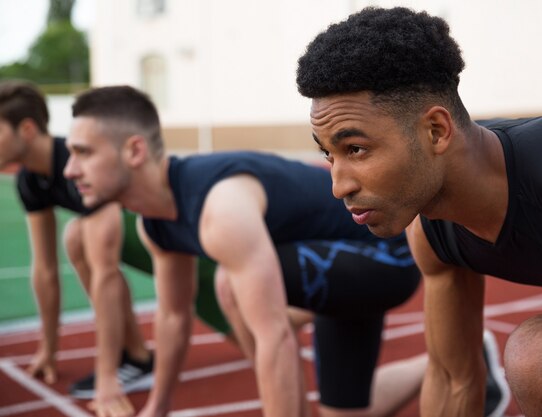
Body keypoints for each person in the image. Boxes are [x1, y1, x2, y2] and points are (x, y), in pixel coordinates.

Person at [63, 85, 509, 417]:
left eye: (83, 152)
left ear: (135, 151)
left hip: (385, 256)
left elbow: (274, 334)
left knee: (234, 287)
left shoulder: (220, 208)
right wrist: (155, 409)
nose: (69, 169)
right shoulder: (154, 226)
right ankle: (478, 359)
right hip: (333, 273)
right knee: (343, 412)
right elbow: (175, 318)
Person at [296, 5, 542, 417]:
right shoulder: (432, 228)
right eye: (329, 154)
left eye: (356, 149)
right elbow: (454, 379)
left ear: (436, 130)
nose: (338, 185)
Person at [0, 80, 156, 416]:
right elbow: (44, 269)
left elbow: (106, 275)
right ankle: (139, 357)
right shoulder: (30, 179)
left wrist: (105, 381)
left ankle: (135, 357)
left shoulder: (80, 161)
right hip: (124, 239)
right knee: (81, 236)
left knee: (80, 235)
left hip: (172, 235)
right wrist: (49, 348)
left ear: (26, 129)